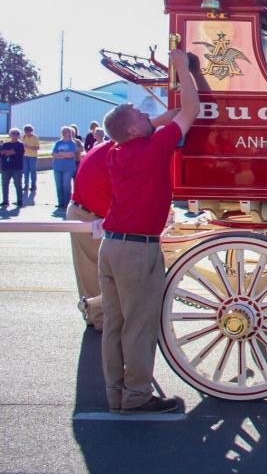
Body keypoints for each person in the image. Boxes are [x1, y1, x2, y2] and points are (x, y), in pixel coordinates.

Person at [98, 50, 199, 415]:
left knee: (114, 325)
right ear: (133, 130)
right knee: (139, 326)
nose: (147, 115)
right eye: (141, 115)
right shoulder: (152, 148)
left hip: (111, 247)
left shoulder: (116, 150)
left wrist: (155, 120)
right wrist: (183, 71)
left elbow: (160, 120)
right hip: (137, 251)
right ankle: (138, 396)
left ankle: (116, 393)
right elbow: (189, 111)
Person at [69, 111, 178, 332]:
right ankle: (100, 321)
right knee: (93, 273)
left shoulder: (123, 144)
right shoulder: (125, 149)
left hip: (98, 212)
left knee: (104, 273)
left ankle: (107, 321)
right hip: (90, 214)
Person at [51, 126, 80, 209]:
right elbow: (53, 154)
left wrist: (60, 154)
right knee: (59, 185)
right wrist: (64, 155)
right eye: (64, 131)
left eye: (67, 131)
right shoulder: (58, 143)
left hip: (68, 168)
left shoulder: (72, 143)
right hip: (57, 167)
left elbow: (71, 155)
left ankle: (67, 203)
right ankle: (60, 202)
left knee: (66, 185)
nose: (66, 133)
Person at [1, 128, 26, 207]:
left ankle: (19, 200)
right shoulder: (5, 144)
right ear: (10, 134)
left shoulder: (20, 145)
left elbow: (16, 152)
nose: (15, 135)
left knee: (18, 184)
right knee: (5, 185)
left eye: (17, 133)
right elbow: (2, 153)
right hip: (5, 167)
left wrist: (7, 152)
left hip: (17, 168)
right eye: (13, 133)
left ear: (19, 135)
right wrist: (6, 152)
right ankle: (5, 201)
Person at [21, 124, 40, 194]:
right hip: (25, 156)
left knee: (33, 171)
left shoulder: (35, 137)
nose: (27, 133)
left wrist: (28, 147)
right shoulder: (23, 137)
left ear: (31, 131)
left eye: (28, 131)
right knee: (25, 171)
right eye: (26, 131)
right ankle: (26, 185)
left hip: (33, 156)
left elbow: (37, 148)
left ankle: (33, 185)